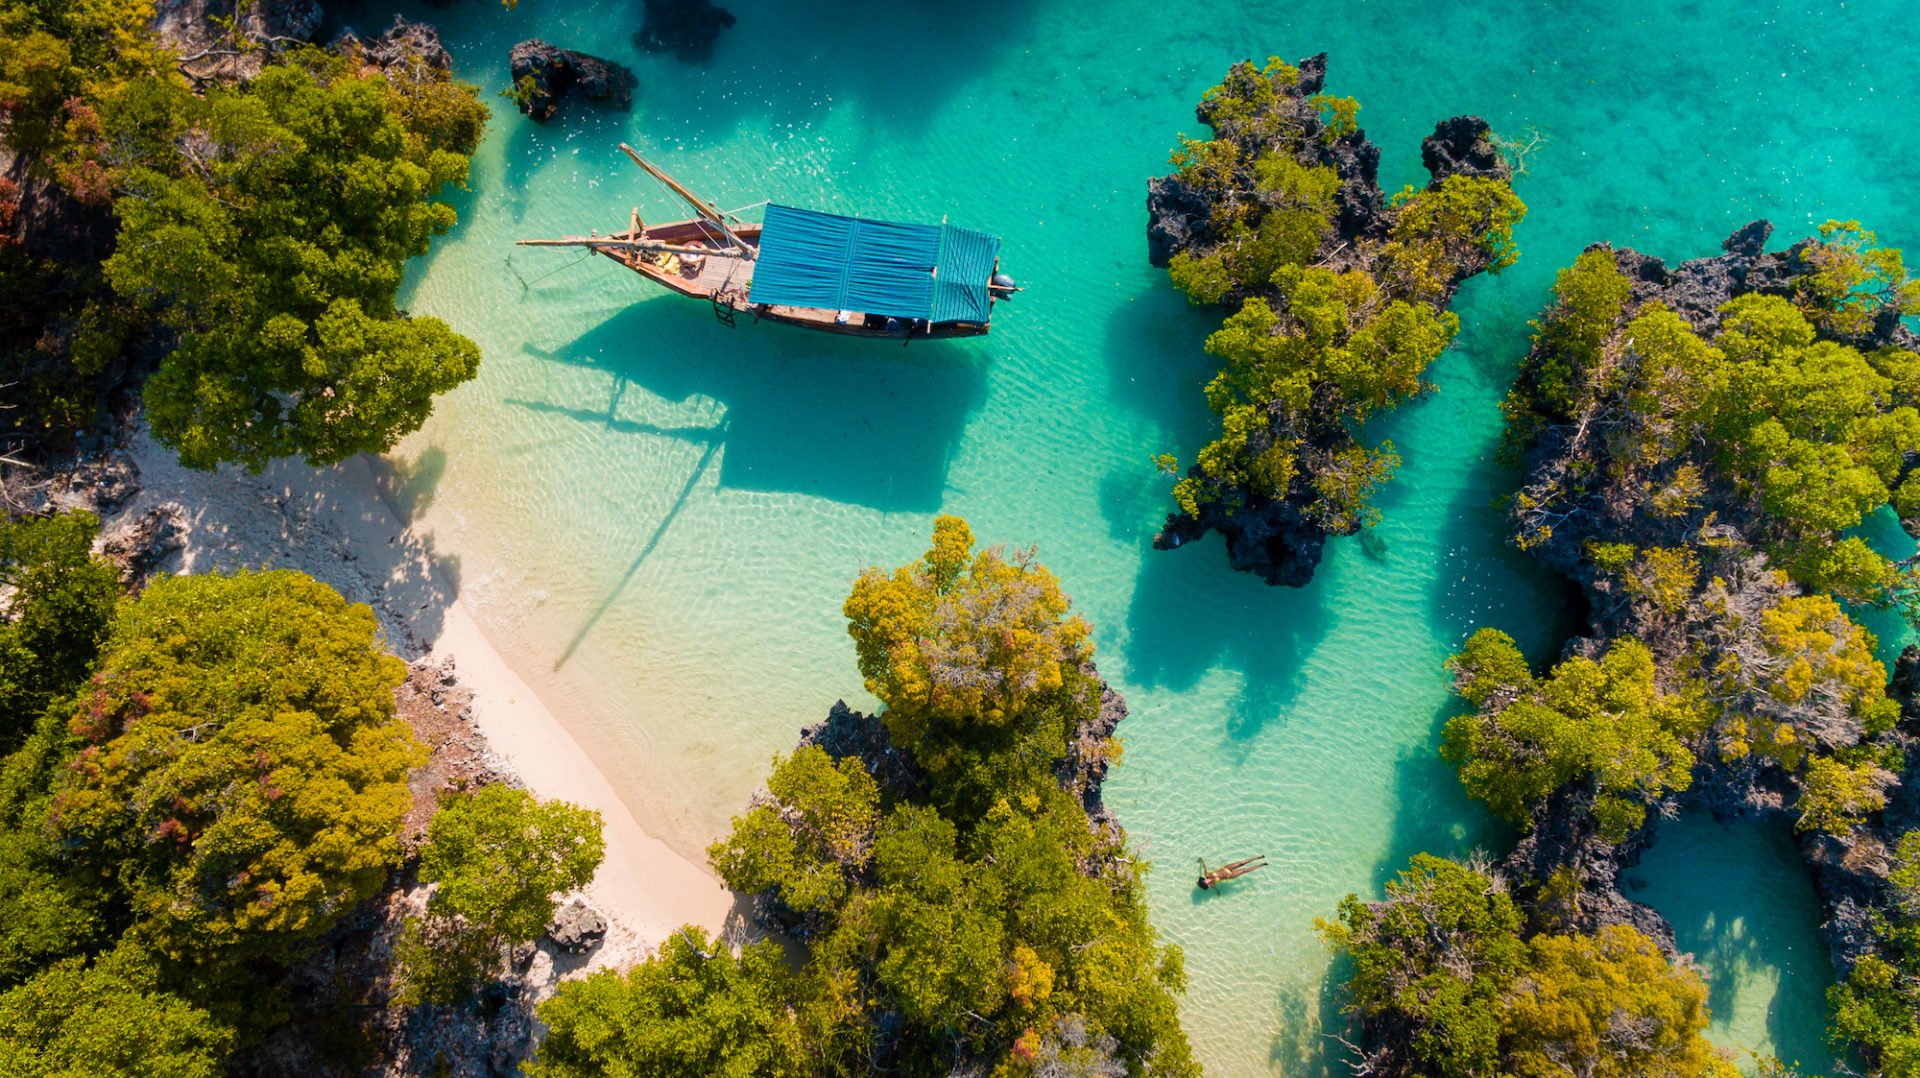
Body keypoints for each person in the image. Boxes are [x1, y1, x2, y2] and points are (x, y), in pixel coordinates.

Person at [1196, 855, 1268, 890]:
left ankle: (1258, 858)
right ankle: (1261, 865)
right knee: (1245, 870)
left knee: (1242, 863)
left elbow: (1204, 866)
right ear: (1206, 884)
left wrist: (1201, 860)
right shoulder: (1212, 884)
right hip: (1229, 875)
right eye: (1205, 883)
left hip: (1226, 868)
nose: (1205, 881)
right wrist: (1217, 892)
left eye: (1203, 881)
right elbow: (1215, 888)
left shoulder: (1207, 874)